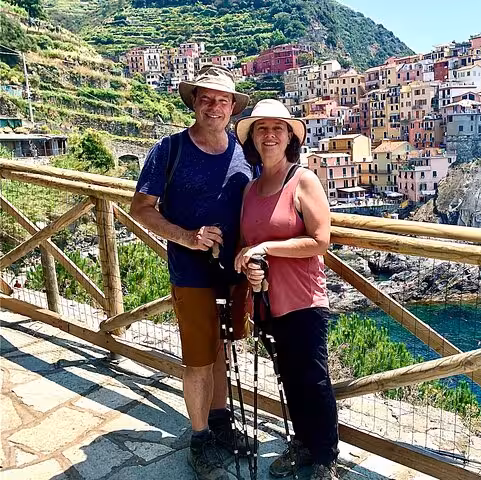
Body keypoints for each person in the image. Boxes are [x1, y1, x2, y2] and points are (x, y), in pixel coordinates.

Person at [130, 65, 261, 480]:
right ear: (193, 102)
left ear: (233, 107)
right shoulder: (169, 150)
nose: (214, 106)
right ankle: (200, 436)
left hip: (234, 270)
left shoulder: (245, 152)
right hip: (190, 272)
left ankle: (221, 424)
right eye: (206, 98)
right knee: (198, 358)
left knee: (223, 348)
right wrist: (187, 237)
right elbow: (141, 209)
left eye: (223, 100)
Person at [234, 99, 339, 480]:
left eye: (278, 128)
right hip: (265, 302)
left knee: (313, 378)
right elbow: (247, 245)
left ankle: (326, 456)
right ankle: (301, 443)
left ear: (290, 136)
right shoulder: (249, 190)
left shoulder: (303, 179)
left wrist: (264, 249)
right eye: (261, 128)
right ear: (253, 139)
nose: (270, 135)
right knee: (287, 377)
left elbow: (320, 240)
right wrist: (250, 267)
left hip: (304, 300)